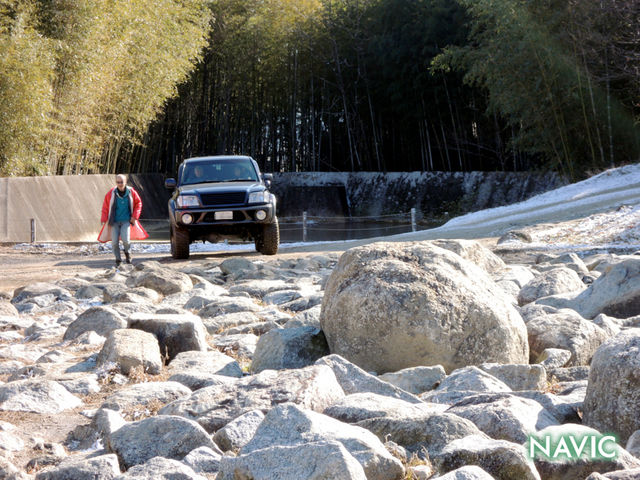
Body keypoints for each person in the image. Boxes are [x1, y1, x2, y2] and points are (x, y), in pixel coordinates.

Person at [99, 174, 147, 266]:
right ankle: (118, 260)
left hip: (126, 220)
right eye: (118, 182)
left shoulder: (131, 192)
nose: (120, 184)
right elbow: (105, 206)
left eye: (122, 182)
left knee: (126, 240)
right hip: (114, 221)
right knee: (114, 242)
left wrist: (134, 217)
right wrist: (104, 218)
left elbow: (138, 203)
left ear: (125, 182)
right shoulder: (111, 193)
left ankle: (128, 254)